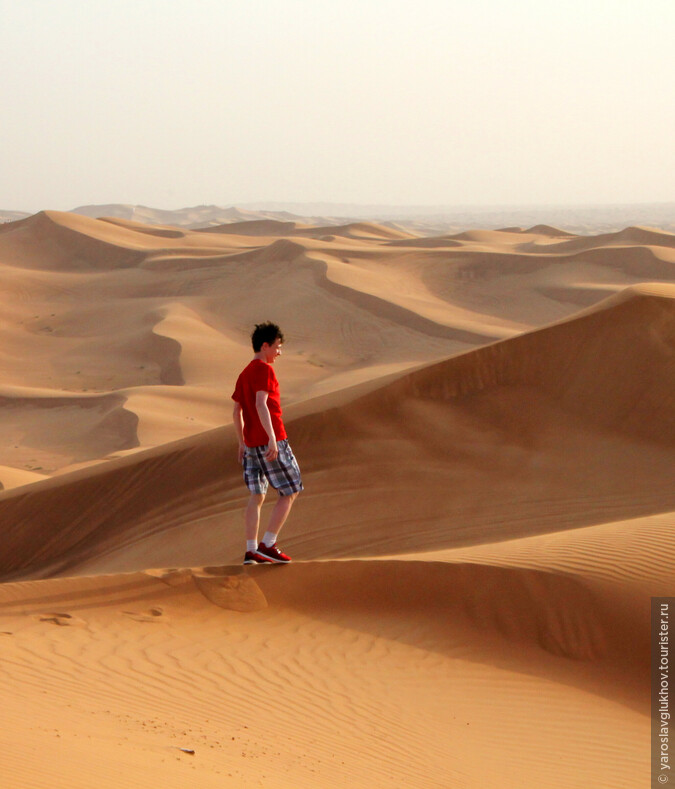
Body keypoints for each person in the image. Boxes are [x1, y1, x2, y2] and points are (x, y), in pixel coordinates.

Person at [231, 322, 303, 564]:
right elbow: (262, 404)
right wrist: (273, 438)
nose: (279, 352)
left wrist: (241, 442)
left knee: (257, 495)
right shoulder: (264, 371)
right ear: (265, 346)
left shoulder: (244, 374)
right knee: (291, 490)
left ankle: (251, 551)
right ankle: (268, 544)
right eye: (277, 347)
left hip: (251, 445)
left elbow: (236, 411)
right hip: (271, 440)